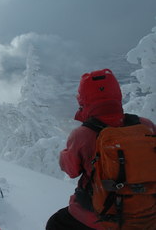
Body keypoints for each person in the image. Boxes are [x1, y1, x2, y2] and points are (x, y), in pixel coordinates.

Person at [46, 69, 156, 229]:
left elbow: (71, 170)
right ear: (117, 94)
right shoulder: (146, 125)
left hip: (99, 218)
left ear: (84, 99)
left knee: (55, 224)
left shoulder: (82, 134)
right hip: (146, 216)